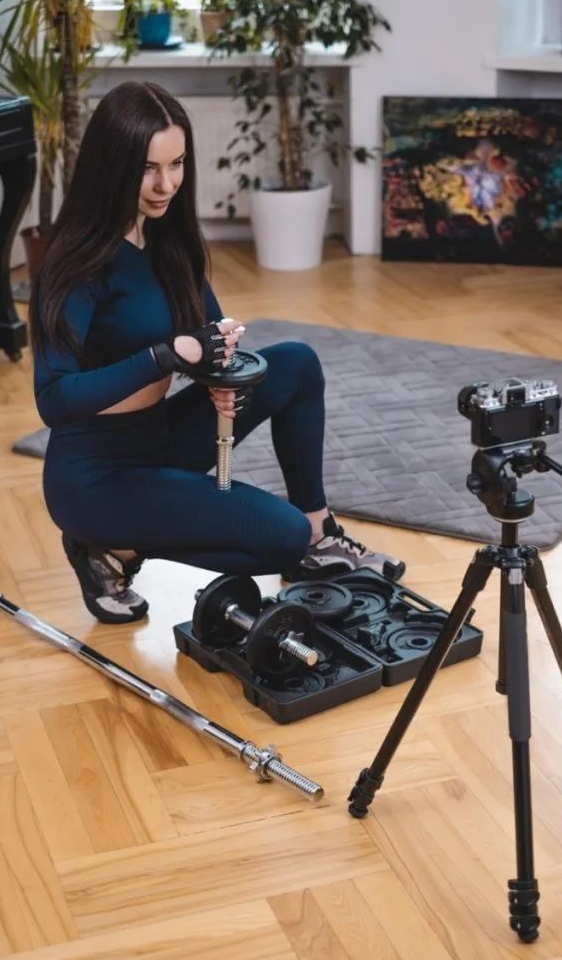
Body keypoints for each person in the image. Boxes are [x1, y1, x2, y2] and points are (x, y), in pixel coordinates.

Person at [30, 81, 405, 626]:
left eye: (177, 164)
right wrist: (165, 356)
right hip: (97, 478)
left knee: (297, 362)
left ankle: (320, 531)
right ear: (112, 167)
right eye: (148, 169)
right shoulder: (76, 261)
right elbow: (54, 400)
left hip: (159, 440)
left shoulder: (167, 237)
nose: (166, 185)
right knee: (281, 538)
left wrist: (222, 371)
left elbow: (207, 332)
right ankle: (112, 545)